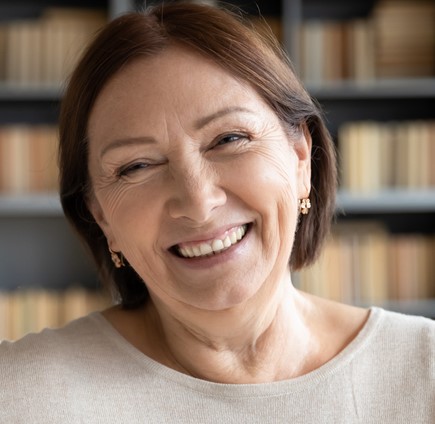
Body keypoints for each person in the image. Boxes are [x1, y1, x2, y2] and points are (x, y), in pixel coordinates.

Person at [1, 2, 434, 423]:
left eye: (229, 139)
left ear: (302, 158)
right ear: (102, 219)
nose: (198, 201)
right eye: (137, 166)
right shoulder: (20, 396)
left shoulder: (424, 370)